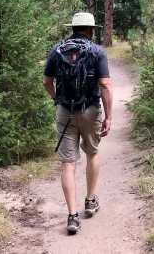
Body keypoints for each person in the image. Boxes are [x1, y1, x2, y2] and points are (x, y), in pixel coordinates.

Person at [43, 12, 113, 235]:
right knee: (92, 153)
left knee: (68, 163)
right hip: (90, 110)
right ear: (91, 29)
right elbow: (105, 85)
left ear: (73, 28)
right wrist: (109, 116)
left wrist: (57, 99)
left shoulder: (57, 50)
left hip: (65, 112)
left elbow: (46, 81)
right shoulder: (97, 51)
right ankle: (90, 201)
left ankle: (72, 216)